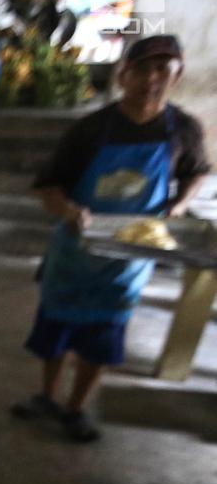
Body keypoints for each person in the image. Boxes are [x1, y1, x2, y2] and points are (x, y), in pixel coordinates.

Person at [13, 35, 209, 442]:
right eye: (143, 69)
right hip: (75, 250)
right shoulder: (91, 129)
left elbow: (197, 171)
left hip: (129, 258)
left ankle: (76, 407)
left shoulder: (182, 130)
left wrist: (179, 204)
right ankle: (47, 395)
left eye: (163, 70)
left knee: (102, 335)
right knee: (56, 329)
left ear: (177, 76)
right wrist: (69, 210)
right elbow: (49, 186)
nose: (151, 79)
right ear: (124, 75)